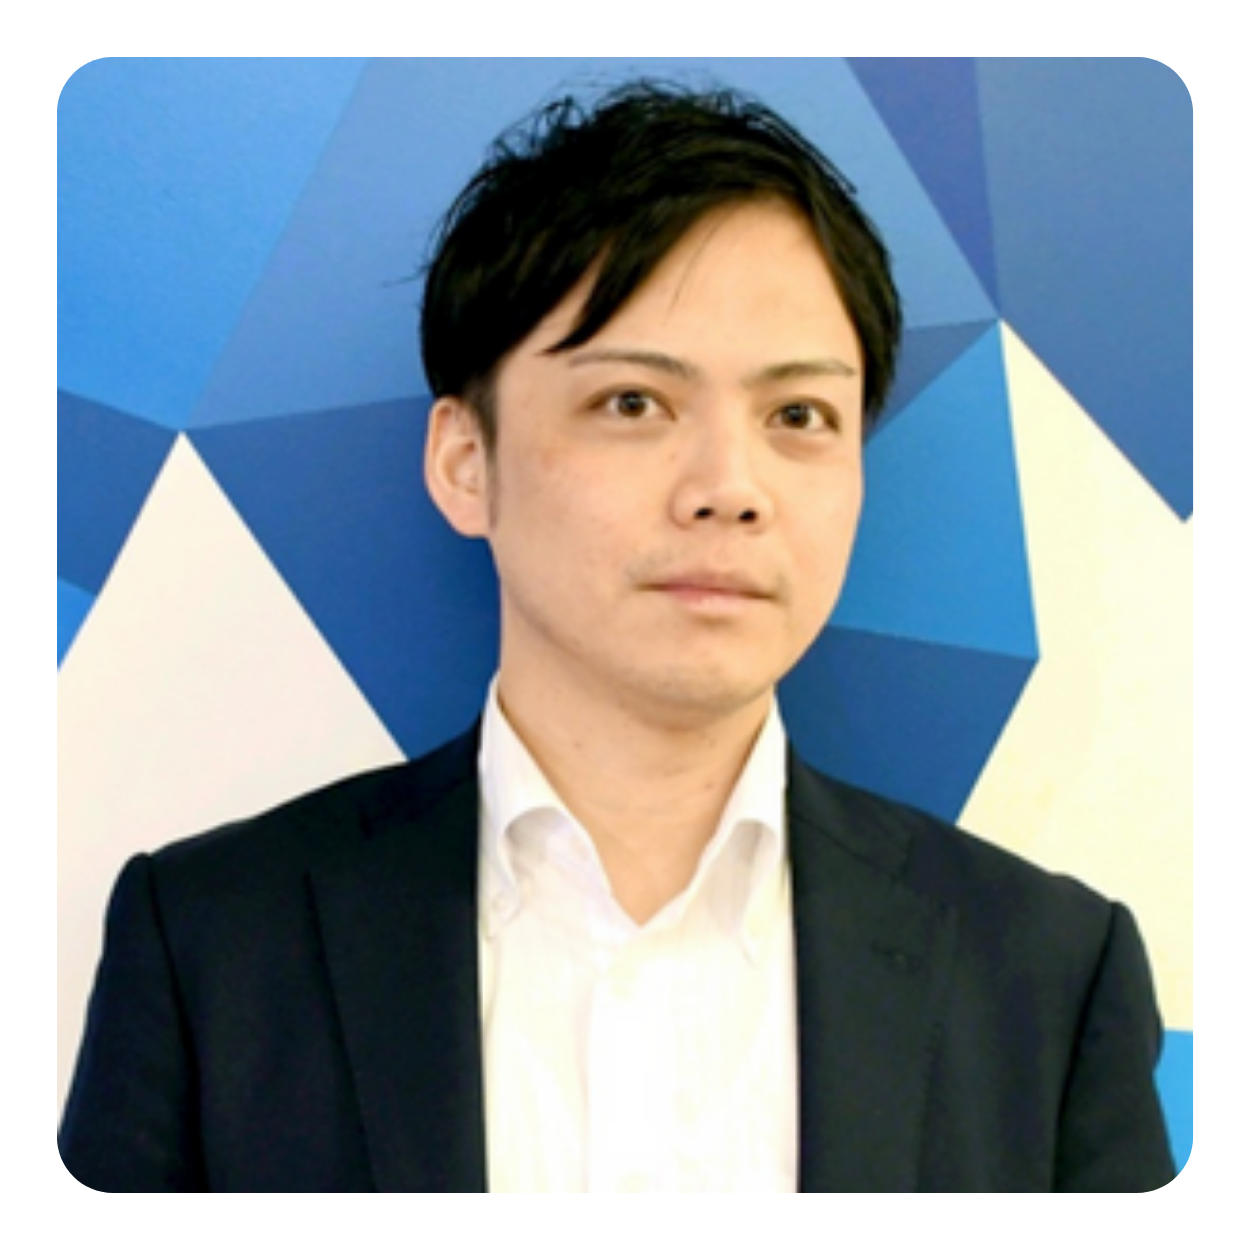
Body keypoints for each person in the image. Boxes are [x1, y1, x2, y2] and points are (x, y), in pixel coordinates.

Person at [59, 82, 1177, 1193]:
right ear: (465, 461)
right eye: (634, 402)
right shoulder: (212, 946)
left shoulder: (1048, 976)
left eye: (797, 416)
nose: (729, 487)